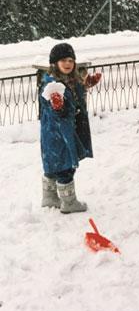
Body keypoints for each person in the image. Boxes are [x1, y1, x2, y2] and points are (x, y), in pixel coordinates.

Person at [39, 42, 102, 214]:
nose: (68, 64)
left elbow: (75, 91)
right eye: (63, 61)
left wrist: (87, 83)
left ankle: (49, 197)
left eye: (70, 60)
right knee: (65, 165)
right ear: (54, 64)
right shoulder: (51, 85)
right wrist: (57, 105)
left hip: (58, 132)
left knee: (53, 162)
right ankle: (69, 202)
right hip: (59, 132)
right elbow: (51, 107)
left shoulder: (70, 80)